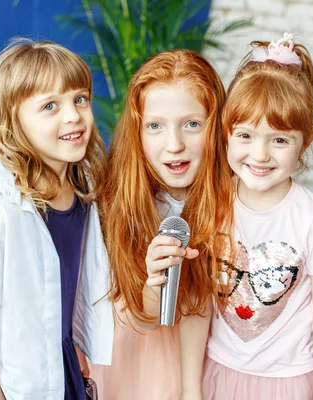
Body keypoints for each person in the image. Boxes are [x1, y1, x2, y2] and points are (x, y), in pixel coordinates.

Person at [0, 38, 114, 400]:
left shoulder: (80, 186)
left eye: (80, 99)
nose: (73, 115)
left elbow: (57, 285)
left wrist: (71, 341)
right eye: (50, 106)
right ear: (13, 122)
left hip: (49, 356)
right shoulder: (2, 205)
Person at [201, 33, 313, 400]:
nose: (260, 154)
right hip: (220, 371)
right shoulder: (213, 202)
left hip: (289, 382)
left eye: (279, 140)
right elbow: (198, 304)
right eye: (246, 135)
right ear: (226, 135)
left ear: (306, 142)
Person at [89, 49, 234, 400]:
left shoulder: (234, 201)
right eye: (155, 126)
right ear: (137, 132)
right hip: (133, 363)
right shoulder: (114, 202)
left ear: (216, 127)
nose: (174, 146)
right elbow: (143, 316)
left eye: (192, 124)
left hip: (206, 361)